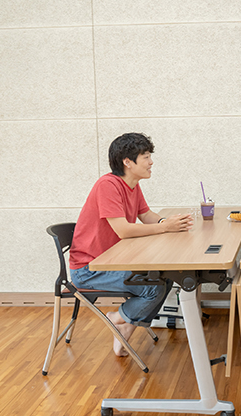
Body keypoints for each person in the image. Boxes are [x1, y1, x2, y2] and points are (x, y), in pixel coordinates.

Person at [69, 132, 193, 356]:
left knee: (164, 277)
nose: (151, 162)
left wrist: (170, 222)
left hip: (113, 261)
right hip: (90, 270)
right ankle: (118, 319)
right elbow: (124, 230)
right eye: (145, 157)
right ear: (128, 161)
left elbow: (146, 216)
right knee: (153, 286)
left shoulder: (132, 185)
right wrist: (165, 228)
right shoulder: (107, 185)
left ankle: (124, 324)